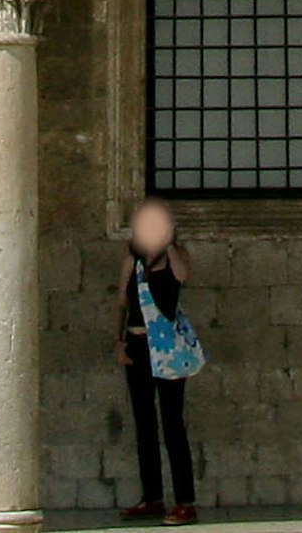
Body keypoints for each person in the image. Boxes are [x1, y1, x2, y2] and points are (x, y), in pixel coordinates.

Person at [114, 198, 195, 524]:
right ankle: (152, 497)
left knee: (172, 423)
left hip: (167, 349)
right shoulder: (131, 262)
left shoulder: (175, 256)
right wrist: (118, 342)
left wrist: (170, 244)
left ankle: (185, 501)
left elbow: (184, 276)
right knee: (144, 423)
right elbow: (121, 302)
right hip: (137, 346)